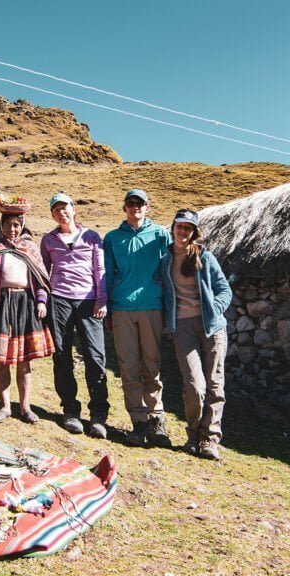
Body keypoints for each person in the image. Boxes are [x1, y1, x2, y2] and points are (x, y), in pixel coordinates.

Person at [0, 197, 55, 424]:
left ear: (23, 225)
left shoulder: (30, 248)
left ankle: (25, 407)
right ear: (1, 225)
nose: (12, 229)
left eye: (17, 224)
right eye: (8, 224)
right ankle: (4, 406)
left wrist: (42, 301)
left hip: (25, 304)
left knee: (25, 361)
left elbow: (40, 279)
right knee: (2, 360)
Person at [160, 209, 232, 461]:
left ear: (194, 232)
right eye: (180, 227)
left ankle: (209, 439)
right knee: (193, 385)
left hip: (212, 326)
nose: (183, 232)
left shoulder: (205, 257)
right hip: (183, 327)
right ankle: (192, 435)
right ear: (173, 228)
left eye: (188, 228)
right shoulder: (165, 260)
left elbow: (225, 290)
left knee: (214, 383)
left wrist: (214, 309)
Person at [104, 189, 172, 447]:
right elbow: (107, 275)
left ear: (147, 207)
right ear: (124, 208)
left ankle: (157, 420)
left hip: (152, 306)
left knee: (151, 366)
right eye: (131, 204)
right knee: (128, 366)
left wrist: (168, 309)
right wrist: (108, 308)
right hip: (122, 308)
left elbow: (169, 272)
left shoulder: (160, 235)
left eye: (140, 204)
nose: (135, 208)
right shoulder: (112, 238)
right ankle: (138, 421)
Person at [40, 192, 109, 438]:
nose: (62, 212)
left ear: (74, 209)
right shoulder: (48, 240)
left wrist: (102, 299)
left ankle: (98, 414)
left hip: (89, 301)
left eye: (65, 207)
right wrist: (44, 300)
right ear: (52, 214)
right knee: (62, 355)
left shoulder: (91, 236)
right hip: (59, 300)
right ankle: (70, 410)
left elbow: (99, 269)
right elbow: (44, 272)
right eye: (56, 209)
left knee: (95, 356)